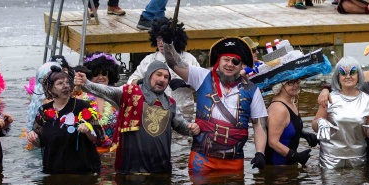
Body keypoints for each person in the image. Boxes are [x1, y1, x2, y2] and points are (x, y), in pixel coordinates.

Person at [160, 37, 269, 175]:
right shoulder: (201, 76)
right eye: (226, 60)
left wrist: (260, 152)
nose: (230, 64)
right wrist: (169, 41)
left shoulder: (252, 90)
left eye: (235, 61)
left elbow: (259, 124)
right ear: (219, 60)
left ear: (242, 65)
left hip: (234, 161)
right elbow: (174, 63)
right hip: (201, 159)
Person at [76, 60, 198, 175]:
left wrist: (192, 128)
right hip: (131, 170)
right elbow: (106, 91)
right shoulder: (128, 94)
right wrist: (86, 83)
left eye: (166, 77)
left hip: (161, 170)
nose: (162, 79)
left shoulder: (170, 103)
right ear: (149, 75)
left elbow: (182, 126)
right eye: (159, 75)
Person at [27, 67, 102, 174]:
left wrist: (88, 131)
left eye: (67, 82)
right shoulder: (44, 110)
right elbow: (41, 143)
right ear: (50, 89)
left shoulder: (83, 107)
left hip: (82, 170)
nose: (65, 85)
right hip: (53, 169)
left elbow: (98, 137)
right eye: (60, 83)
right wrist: (34, 140)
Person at [313, 57, 369, 169]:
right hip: (330, 158)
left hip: (357, 157)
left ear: (359, 75)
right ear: (338, 76)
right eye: (343, 73)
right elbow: (315, 126)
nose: (348, 76)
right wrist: (320, 122)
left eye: (352, 72)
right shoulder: (328, 98)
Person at [126, 18, 200, 109]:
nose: (161, 42)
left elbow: (203, 83)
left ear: (174, 39)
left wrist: (186, 83)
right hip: (156, 112)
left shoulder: (189, 59)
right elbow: (130, 83)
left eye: (165, 39)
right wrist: (144, 81)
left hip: (185, 113)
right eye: (159, 38)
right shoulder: (149, 60)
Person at [264, 79, 315, 167]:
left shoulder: (290, 102)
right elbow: (272, 142)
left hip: (288, 166)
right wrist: (296, 156)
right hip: (276, 168)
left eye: (297, 81)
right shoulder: (279, 109)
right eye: (290, 82)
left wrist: (304, 134)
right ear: (280, 85)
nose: (296, 85)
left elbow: (287, 128)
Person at [82, 52, 121, 153]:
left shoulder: (118, 96)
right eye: (95, 74)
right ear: (89, 77)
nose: (101, 77)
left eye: (104, 73)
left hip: (114, 152)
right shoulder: (81, 98)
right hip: (88, 152)